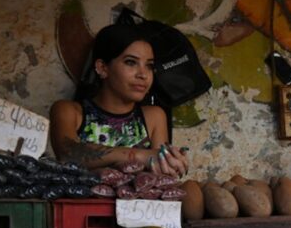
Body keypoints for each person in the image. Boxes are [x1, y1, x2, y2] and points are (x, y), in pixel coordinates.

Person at [50, 22, 189, 176]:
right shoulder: (69, 111)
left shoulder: (154, 117)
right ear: (102, 68)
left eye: (149, 66)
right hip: (86, 200)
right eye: (131, 62)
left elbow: (162, 178)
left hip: (139, 201)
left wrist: (171, 162)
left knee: (192, 189)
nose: (143, 74)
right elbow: (69, 154)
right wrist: (140, 155)